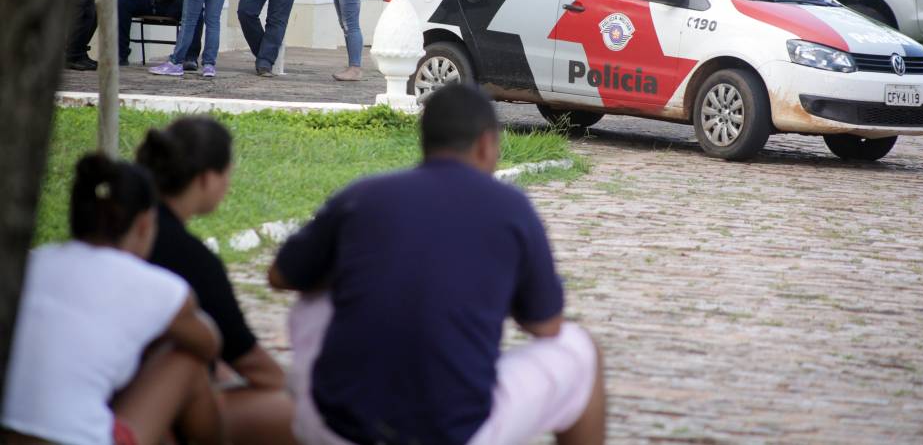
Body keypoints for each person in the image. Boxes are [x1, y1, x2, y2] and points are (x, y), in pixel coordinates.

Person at [269, 84, 606, 445]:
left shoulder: (363, 194)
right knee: (580, 350)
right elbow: (547, 325)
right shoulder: (511, 208)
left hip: (337, 425)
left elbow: (281, 275)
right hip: (453, 430)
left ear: (425, 141)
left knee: (315, 300)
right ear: (486, 144)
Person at [1, 154, 224, 445]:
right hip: (78, 439)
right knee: (185, 361)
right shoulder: (157, 287)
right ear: (144, 224)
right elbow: (208, 344)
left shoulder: (30, 263)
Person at [136, 117, 298, 445]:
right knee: (306, 415)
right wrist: (299, 390)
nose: (228, 183)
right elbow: (250, 361)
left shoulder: (129, 229)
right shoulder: (189, 257)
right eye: (227, 173)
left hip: (132, 390)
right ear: (207, 178)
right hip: (148, 407)